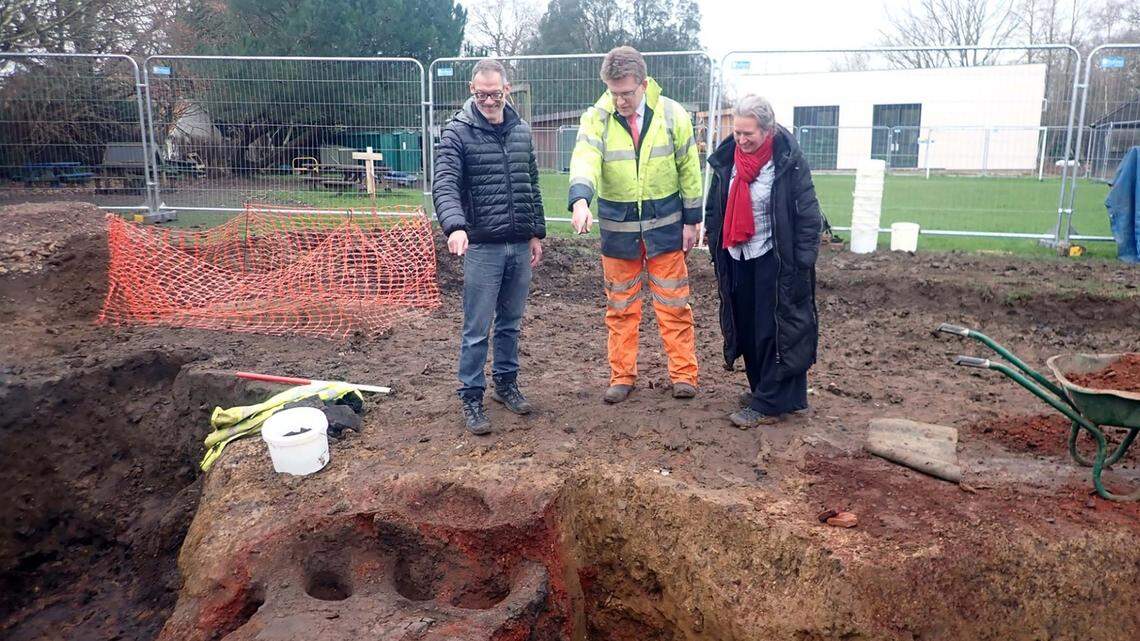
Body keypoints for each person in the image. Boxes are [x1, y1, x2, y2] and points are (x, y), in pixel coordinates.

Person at [568, 45, 703, 404]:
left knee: (674, 304)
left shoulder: (673, 115)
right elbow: (585, 157)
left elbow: (689, 170)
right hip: (618, 232)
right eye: (614, 93)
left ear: (643, 84)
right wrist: (580, 199)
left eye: (627, 93)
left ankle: (684, 375)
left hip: (666, 228)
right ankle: (622, 375)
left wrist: (692, 221)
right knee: (621, 308)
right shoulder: (596, 117)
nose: (621, 101)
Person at [433, 58, 545, 435]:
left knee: (510, 324)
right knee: (477, 328)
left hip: (518, 243)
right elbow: (445, 183)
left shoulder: (521, 131)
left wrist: (536, 232)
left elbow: (531, 182)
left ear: (506, 90)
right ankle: (471, 395)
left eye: (494, 94)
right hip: (482, 246)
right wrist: (455, 226)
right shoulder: (457, 133)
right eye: (481, 94)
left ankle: (506, 385)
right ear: (471, 90)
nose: (488, 100)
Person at [702, 94, 822, 428]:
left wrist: (802, 261)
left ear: (766, 130)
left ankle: (768, 403)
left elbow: (809, 214)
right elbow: (715, 207)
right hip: (738, 255)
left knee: (774, 329)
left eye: (748, 133)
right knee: (748, 325)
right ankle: (765, 392)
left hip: (776, 258)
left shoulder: (787, 161)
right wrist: (715, 243)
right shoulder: (729, 160)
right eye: (737, 132)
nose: (741, 139)